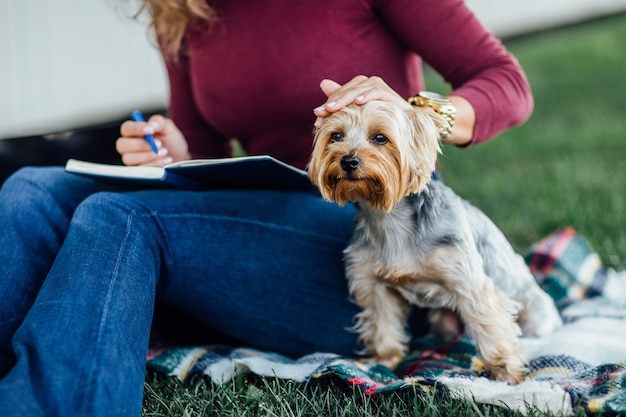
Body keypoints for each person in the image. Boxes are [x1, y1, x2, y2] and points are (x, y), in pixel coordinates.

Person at [0, 0, 533, 415]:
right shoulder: (183, 10)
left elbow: (507, 84)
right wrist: (177, 154)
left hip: (374, 230)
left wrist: (417, 114)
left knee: (117, 218)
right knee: (29, 190)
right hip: (258, 221)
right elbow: (207, 152)